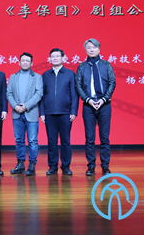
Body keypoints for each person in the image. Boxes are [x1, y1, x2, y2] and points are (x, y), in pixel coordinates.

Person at [75, 38, 116, 176]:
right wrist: (88, 100)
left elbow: (112, 82)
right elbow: (78, 85)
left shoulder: (106, 65)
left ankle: (105, 166)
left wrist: (104, 99)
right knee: (89, 138)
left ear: (99, 49)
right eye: (89, 47)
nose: (91, 50)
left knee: (104, 138)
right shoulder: (82, 67)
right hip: (88, 105)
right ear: (85, 50)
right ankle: (91, 166)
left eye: (94, 47)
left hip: (105, 105)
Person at [40, 48, 78, 175]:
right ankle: (52, 166)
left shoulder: (70, 73)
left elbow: (74, 94)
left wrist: (73, 111)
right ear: (50, 59)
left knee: (65, 141)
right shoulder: (45, 75)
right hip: (49, 113)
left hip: (65, 112)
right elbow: (42, 95)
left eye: (57, 56)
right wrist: (42, 112)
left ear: (63, 58)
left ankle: (66, 166)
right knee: (52, 141)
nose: (55, 58)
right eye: (53, 56)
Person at [7, 52, 43, 176]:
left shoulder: (37, 77)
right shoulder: (13, 77)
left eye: (28, 60)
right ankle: (20, 164)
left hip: (31, 113)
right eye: (23, 60)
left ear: (31, 63)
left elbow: (39, 94)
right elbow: (9, 93)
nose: (25, 62)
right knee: (19, 140)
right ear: (19, 62)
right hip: (17, 113)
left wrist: (26, 105)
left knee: (32, 141)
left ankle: (32, 164)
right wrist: (15, 106)